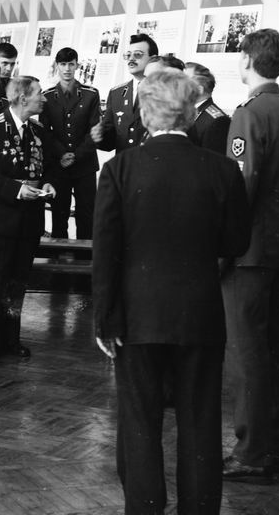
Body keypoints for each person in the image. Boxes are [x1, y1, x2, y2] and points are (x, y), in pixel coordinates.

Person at [93, 69, 249, 515]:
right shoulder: (222, 169)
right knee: (200, 419)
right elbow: (236, 241)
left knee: (139, 420)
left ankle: (145, 507)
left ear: (145, 113)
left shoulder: (120, 168)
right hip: (199, 313)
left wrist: (105, 319)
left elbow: (105, 251)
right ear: (190, 111)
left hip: (137, 316)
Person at [222, 28, 279, 482]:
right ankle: (277, 447)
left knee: (247, 353)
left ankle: (252, 452)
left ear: (246, 59)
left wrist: (223, 251)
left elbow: (240, 191)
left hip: (251, 254)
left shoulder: (250, 114)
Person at [0, 76, 58, 363]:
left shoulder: (38, 130)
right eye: (39, 94)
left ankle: (12, 339)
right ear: (23, 98)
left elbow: (48, 167)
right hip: (0, 219)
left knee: (18, 281)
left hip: (29, 220)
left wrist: (48, 183)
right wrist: (17, 190)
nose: (43, 99)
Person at [40, 47, 100, 240]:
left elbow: (94, 130)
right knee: (59, 214)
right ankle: (58, 255)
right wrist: (61, 154)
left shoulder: (91, 94)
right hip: (59, 165)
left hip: (85, 164)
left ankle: (84, 255)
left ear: (77, 66)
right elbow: (45, 131)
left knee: (86, 215)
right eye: (63, 64)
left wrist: (76, 155)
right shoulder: (48, 96)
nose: (67, 69)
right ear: (57, 66)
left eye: (71, 64)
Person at [91, 33, 158, 152]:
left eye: (137, 55)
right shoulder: (116, 93)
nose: (131, 59)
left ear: (153, 59)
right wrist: (99, 136)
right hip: (123, 163)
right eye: (128, 55)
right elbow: (110, 142)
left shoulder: (164, 92)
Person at [185, 61, 231, 155]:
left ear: (199, 90)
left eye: (184, 82)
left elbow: (214, 160)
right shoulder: (185, 112)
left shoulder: (217, 121)